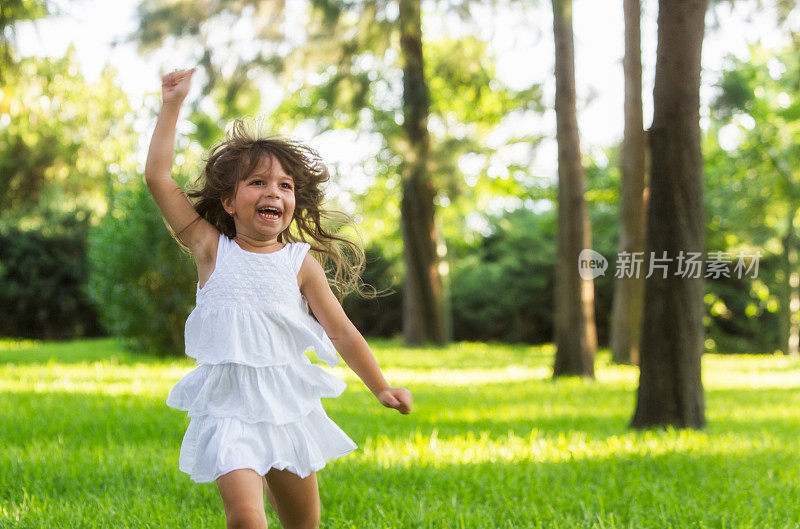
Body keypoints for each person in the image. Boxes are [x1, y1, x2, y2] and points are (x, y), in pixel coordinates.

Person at [144, 67, 413, 529]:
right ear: (229, 202)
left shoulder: (300, 264)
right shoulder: (211, 249)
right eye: (258, 183)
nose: (274, 192)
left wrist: (380, 385)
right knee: (247, 517)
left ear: (293, 203)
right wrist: (171, 105)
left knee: (302, 523)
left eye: (285, 186)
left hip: (288, 409)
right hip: (229, 409)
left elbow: (342, 332)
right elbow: (158, 176)